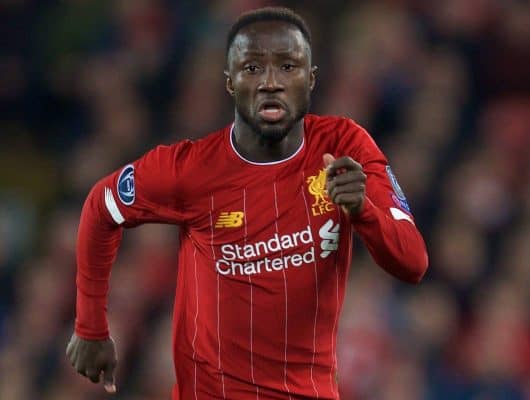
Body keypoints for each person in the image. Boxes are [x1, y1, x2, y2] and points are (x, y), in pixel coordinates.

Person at [66, 6, 428, 400]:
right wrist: (90, 328)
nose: (271, 82)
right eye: (252, 68)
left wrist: (364, 213)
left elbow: (413, 263)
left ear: (311, 79)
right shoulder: (190, 170)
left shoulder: (345, 147)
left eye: (288, 67)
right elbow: (100, 208)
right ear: (230, 82)